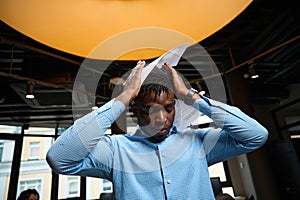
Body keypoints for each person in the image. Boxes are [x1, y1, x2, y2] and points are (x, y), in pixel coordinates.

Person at [46, 61, 268, 200]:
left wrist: (191, 96)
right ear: (134, 110)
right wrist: (122, 99)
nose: (161, 118)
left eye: (168, 109)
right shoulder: (116, 150)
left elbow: (256, 135)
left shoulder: (197, 143)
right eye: (149, 110)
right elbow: (59, 158)